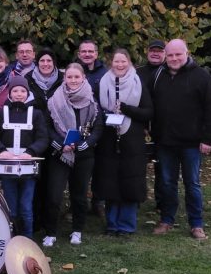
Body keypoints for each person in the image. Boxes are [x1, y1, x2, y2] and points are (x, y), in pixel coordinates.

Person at [151, 39, 211, 240]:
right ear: (166, 56)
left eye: (178, 54)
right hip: (165, 142)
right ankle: (166, 220)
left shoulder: (202, 76)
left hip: (192, 143)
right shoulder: (159, 75)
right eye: (170, 55)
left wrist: (208, 138)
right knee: (167, 183)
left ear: (187, 53)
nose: (174, 58)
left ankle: (196, 224)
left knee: (192, 184)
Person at [94, 49, 153, 236]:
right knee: (110, 182)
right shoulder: (103, 82)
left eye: (123, 61)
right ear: (111, 63)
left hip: (132, 141)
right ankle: (112, 224)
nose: (120, 65)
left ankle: (126, 225)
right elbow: (95, 108)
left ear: (129, 62)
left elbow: (148, 112)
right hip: (108, 140)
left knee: (130, 183)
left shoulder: (138, 82)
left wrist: (127, 109)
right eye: (116, 61)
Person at [43, 63, 103, 247]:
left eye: (77, 77)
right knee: (54, 195)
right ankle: (51, 232)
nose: (73, 80)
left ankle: (77, 230)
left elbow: (98, 127)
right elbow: (47, 127)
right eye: (69, 77)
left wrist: (87, 143)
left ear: (83, 78)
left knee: (79, 195)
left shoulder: (92, 100)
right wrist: (60, 144)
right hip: (60, 154)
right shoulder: (54, 99)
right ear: (64, 78)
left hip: (84, 155)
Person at [0, 76, 48, 238]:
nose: (19, 94)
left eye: (22, 91)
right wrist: (1, 150)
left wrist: (31, 152)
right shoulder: (1, 113)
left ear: (27, 93)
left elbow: (43, 138)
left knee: (26, 207)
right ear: (10, 93)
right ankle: (12, 238)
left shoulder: (36, 114)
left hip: (29, 169)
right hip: (7, 168)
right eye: (15, 91)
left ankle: (28, 239)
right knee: (11, 207)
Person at [25, 47, 64, 231]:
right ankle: (35, 221)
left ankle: (51, 222)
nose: (46, 64)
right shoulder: (28, 79)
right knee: (36, 181)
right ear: (37, 63)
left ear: (54, 63)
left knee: (52, 182)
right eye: (42, 61)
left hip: (57, 136)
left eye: (49, 61)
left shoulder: (63, 80)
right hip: (35, 138)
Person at [75, 39, 108, 218]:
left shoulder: (105, 73)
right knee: (79, 166)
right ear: (79, 54)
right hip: (78, 124)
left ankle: (98, 202)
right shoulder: (73, 70)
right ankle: (77, 203)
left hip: (99, 124)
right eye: (84, 51)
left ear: (96, 54)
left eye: (91, 51)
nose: (87, 54)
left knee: (100, 167)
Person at [136, 39, 166, 209]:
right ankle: (137, 199)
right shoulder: (137, 73)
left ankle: (162, 202)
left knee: (162, 167)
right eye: (152, 50)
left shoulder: (168, 72)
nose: (155, 53)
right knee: (138, 166)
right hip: (140, 127)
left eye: (159, 51)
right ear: (147, 52)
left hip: (162, 128)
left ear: (164, 54)